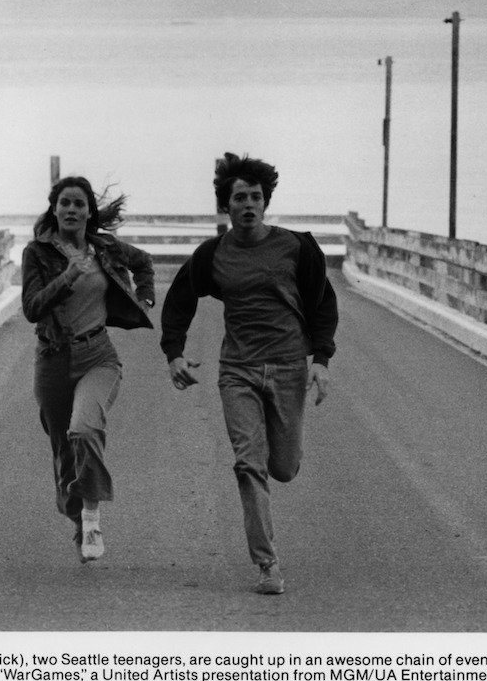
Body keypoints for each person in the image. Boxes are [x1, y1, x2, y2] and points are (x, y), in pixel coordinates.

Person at [160, 153, 337, 594]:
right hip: (237, 371)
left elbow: (322, 304)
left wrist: (321, 360)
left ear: (266, 201)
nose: (249, 204)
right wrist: (174, 353)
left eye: (256, 196)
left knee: (285, 467)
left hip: (288, 367)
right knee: (248, 464)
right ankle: (267, 564)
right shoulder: (213, 255)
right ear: (227, 205)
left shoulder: (297, 247)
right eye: (240, 198)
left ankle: (279, 462)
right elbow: (180, 298)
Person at [21, 176, 155, 562]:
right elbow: (32, 308)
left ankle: (93, 519)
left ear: (88, 212)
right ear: (54, 208)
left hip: (99, 356)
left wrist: (145, 297)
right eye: (65, 202)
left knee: (84, 429)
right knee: (65, 458)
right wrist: (68, 276)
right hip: (53, 361)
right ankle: (79, 519)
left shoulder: (104, 247)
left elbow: (143, 262)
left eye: (79, 203)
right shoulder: (37, 253)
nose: (71, 209)